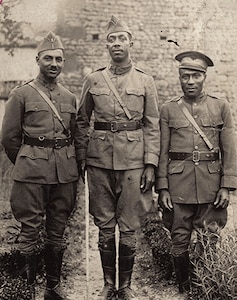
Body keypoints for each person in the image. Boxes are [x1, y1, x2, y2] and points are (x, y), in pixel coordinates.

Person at [74, 15, 160, 300]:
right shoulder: (94, 79)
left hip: (134, 162)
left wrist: (150, 163)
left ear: (131, 43)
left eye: (121, 38)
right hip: (99, 162)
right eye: (111, 40)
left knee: (130, 223)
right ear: (107, 46)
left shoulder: (145, 81)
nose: (116, 44)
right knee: (104, 223)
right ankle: (108, 284)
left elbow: (152, 124)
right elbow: (81, 120)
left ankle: (125, 287)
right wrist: (83, 157)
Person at [1, 31, 79, 300]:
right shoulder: (20, 94)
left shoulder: (69, 97)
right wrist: (28, 160)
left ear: (63, 62)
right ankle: (26, 290)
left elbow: (74, 135)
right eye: (48, 58)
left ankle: (52, 290)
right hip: (31, 174)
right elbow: (9, 138)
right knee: (30, 231)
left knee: (57, 230)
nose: (54, 63)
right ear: (38, 59)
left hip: (64, 175)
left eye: (58, 59)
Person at [156, 51, 237, 298]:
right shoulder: (168, 109)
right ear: (179, 78)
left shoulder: (221, 107)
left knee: (209, 237)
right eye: (185, 76)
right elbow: (162, 150)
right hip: (178, 186)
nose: (190, 81)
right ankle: (184, 289)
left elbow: (230, 149)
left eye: (195, 76)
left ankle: (205, 287)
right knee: (179, 239)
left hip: (211, 185)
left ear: (204, 77)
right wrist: (162, 187)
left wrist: (227, 185)